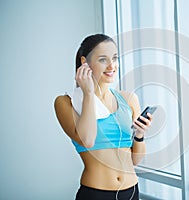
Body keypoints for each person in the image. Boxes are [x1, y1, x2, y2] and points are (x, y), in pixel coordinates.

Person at [54, 34, 152, 200]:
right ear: (85, 62)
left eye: (114, 58)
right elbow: (88, 140)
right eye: (103, 59)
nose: (111, 65)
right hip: (95, 194)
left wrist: (140, 136)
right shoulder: (66, 102)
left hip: (131, 192)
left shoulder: (129, 99)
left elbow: (135, 160)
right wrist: (89, 93)